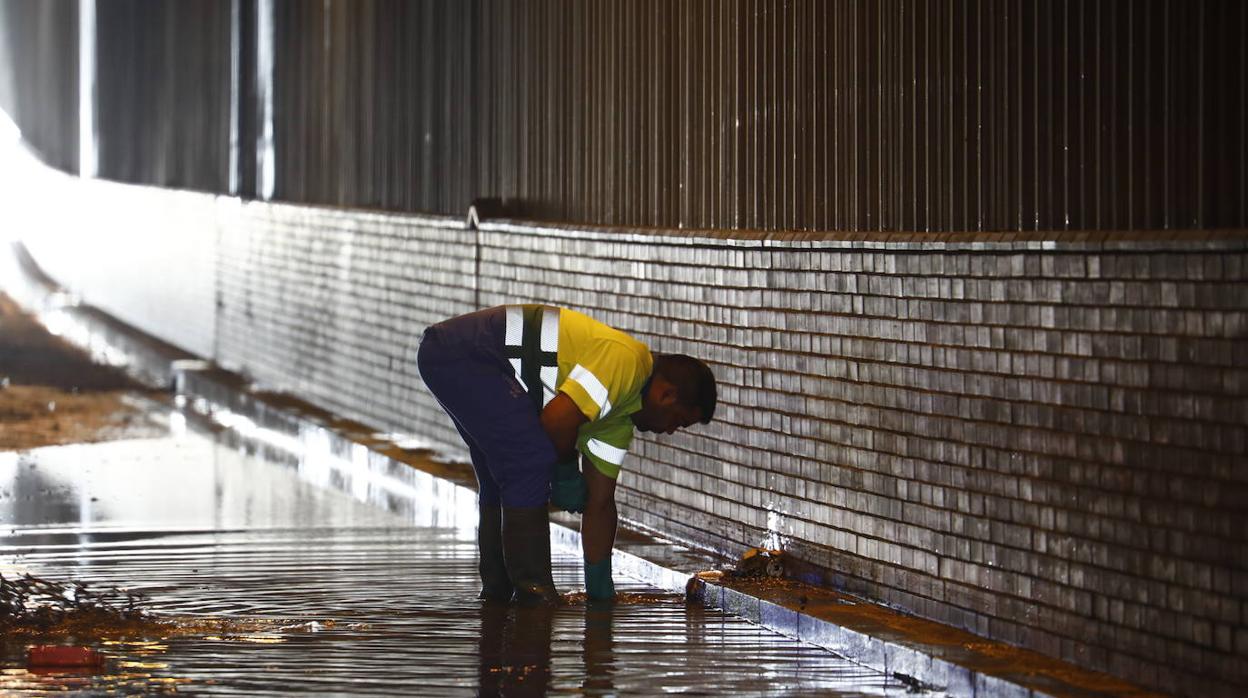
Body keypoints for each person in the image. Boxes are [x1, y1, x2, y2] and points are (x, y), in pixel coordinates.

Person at [417, 304, 716, 604]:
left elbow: (599, 504)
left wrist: (600, 588)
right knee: (528, 460)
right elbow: (556, 420)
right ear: (666, 394)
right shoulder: (627, 361)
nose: (670, 430)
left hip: (464, 359)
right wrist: (565, 470)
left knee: (506, 473)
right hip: (466, 353)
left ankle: (499, 593)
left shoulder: (619, 420)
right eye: (677, 420)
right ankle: (533, 596)